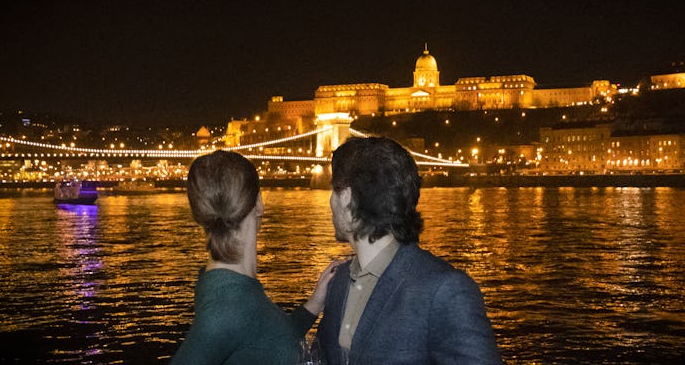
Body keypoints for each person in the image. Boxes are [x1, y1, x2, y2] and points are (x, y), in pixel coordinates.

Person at [314, 136, 502, 364]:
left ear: (346, 197)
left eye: (334, 190)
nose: (330, 202)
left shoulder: (446, 290)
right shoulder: (338, 282)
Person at [171, 150, 343, 365]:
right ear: (259, 203)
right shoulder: (226, 308)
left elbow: (266, 339)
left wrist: (314, 304)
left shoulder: (228, 285)